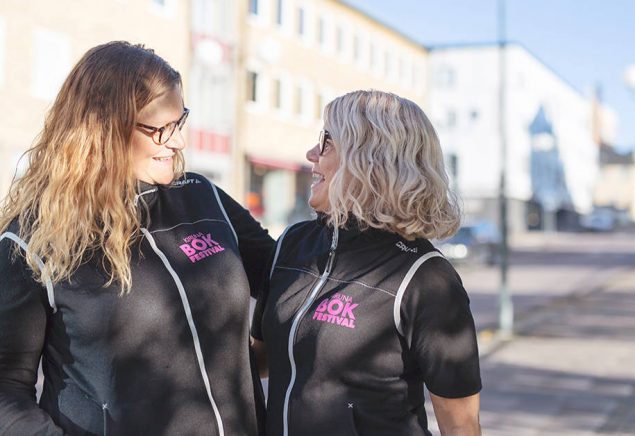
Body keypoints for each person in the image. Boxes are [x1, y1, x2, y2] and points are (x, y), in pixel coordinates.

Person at [0, 41, 273, 435]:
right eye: (160, 128)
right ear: (102, 128)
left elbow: (288, 279)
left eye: (180, 122)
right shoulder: (33, 239)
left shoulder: (203, 197)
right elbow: (6, 388)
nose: (178, 142)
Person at [251, 90, 482, 435]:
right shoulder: (292, 244)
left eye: (326, 141)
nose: (311, 153)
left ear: (369, 160)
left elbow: (461, 427)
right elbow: (264, 359)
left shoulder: (426, 278)